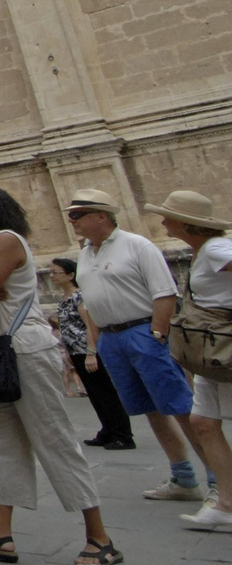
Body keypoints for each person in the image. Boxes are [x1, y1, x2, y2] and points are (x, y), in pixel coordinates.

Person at [0, 182, 121, 565]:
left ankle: (100, 537)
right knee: (1, 441)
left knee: (53, 438)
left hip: (22, 349)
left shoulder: (6, 241)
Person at [67, 187, 208, 500]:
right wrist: (99, 341)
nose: (71, 220)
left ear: (101, 215)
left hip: (144, 333)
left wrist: (157, 335)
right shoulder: (87, 253)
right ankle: (183, 477)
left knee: (180, 408)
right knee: (150, 410)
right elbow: (89, 301)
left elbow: (164, 292)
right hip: (112, 339)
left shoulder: (137, 246)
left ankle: (216, 480)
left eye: (77, 214)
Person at [140, 190, 232, 529]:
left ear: (186, 223)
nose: (162, 221)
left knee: (206, 423)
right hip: (212, 350)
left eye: (168, 215)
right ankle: (226, 504)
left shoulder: (215, 249)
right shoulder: (205, 251)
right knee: (204, 423)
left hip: (221, 348)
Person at [48, 258, 134, 449]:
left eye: (56, 272)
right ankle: (108, 429)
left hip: (88, 351)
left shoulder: (80, 297)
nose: (52, 276)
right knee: (95, 394)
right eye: (51, 272)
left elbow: (90, 325)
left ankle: (122, 434)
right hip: (76, 351)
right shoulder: (65, 298)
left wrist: (90, 353)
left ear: (71, 275)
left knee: (105, 393)